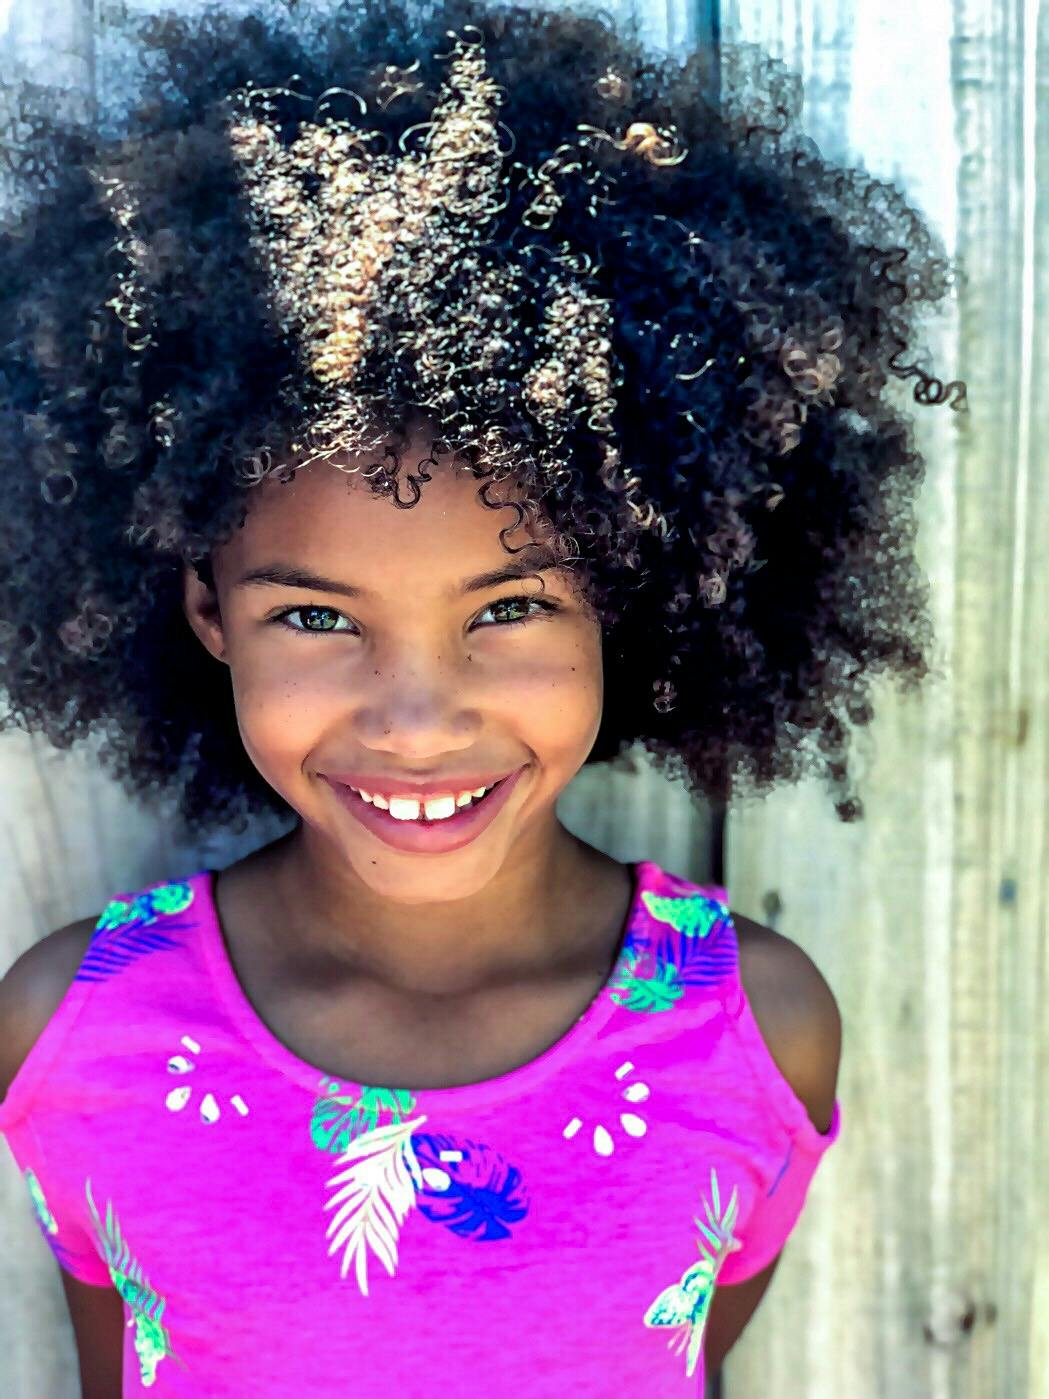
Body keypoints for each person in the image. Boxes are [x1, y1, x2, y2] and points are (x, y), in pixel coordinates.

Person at [0, 1, 965, 1393]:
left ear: (624, 595)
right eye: (316, 616)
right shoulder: (73, 1034)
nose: (414, 718)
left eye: (507, 608)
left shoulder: (752, 1032)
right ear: (207, 612)